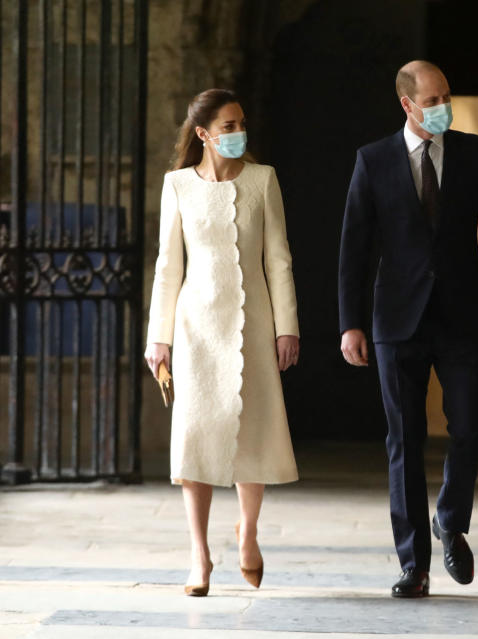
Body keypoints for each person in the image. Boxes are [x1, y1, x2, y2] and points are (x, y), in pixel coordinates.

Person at [338, 60, 478, 598]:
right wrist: (350, 324)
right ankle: (413, 564)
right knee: (405, 439)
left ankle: (450, 517)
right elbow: (354, 250)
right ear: (408, 104)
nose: (443, 104)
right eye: (433, 98)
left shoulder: (474, 152)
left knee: (471, 425)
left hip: (462, 314)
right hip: (395, 321)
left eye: (447, 95)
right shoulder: (372, 161)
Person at [144, 88, 300, 597]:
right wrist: (158, 337)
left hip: (253, 325)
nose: (238, 133)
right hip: (194, 329)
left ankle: (248, 535)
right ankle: (199, 555)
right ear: (203, 135)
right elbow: (168, 267)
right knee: (195, 436)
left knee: (250, 429)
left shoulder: (263, 180)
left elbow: (278, 258)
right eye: (228, 126)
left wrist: (286, 327)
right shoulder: (177, 186)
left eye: (241, 123)